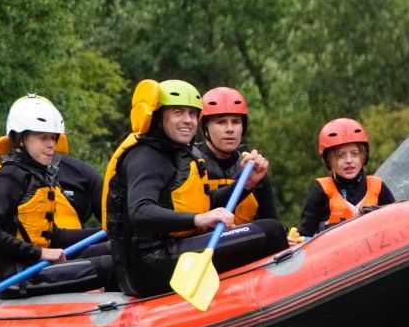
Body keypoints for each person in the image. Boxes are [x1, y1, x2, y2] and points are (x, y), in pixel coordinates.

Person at [102, 79, 287, 299]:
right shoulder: (146, 156)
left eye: (192, 114)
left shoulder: (175, 153)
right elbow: (140, 212)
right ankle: (278, 299)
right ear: (159, 116)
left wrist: (246, 184)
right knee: (271, 230)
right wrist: (199, 219)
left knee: (265, 228)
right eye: (178, 112)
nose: (187, 120)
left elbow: (206, 203)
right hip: (151, 261)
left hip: (166, 252)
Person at [0, 94, 113, 296]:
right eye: (43, 138)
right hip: (11, 275)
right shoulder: (8, 176)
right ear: (20, 139)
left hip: (32, 265)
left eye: (53, 137)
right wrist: (40, 252)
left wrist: (107, 234)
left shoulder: (37, 175)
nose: (51, 144)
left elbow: (52, 234)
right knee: (109, 265)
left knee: (115, 249)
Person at [193, 86, 277, 227]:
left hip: (246, 243)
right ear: (205, 128)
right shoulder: (190, 163)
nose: (230, 129)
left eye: (236, 122)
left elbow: (271, 219)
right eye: (221, 122)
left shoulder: (253, 167)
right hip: (203, 243)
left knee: (274, 228)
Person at [299, 118, 397, 237]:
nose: (349, 161)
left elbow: (397, 222)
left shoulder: (377, 186)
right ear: (328, 161)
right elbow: (304, 235)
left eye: (355, 154)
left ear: (363, 156)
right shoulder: (321, 191)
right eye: (340, 156)